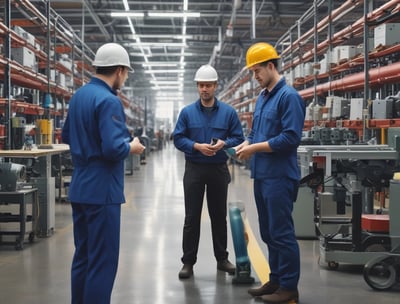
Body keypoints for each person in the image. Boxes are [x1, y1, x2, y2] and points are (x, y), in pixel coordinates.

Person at [61, 42, 145, 304]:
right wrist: (131, 146)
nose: (125, 77)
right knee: (102, 262)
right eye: (126, 73)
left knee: (83, 257)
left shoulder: (78, 96)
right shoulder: (109, 100)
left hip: (80, 187)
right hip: (102, 191)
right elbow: (112, 148)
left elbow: (66, 136)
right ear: (119, 70)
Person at [235, 42, 305, 303]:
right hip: (262, 175)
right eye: (252, 72)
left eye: (257, 71)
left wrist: (254, 148)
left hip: (279, 176)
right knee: (267, 231)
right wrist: (245, 143)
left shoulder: (289, 97)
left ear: (271, 66)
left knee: (282, 232)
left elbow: (290, 138)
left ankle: (289, 287)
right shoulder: (263, 97)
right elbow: (255, 133)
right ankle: (275, 280)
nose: (255, 76)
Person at [173, 64, 245, 279]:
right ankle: (188, 262)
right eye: (201, 85)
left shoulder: (229, 113)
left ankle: (222, 259)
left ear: (215, 86)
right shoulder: (187, 113)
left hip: (218, 169)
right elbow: (178, 138)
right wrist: (196, 146)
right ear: (197, 87)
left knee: (218, 216)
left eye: (209, 85)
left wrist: (223, 143)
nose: (205, 89)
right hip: (194, 169)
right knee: (192, 217)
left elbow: (238, 138)